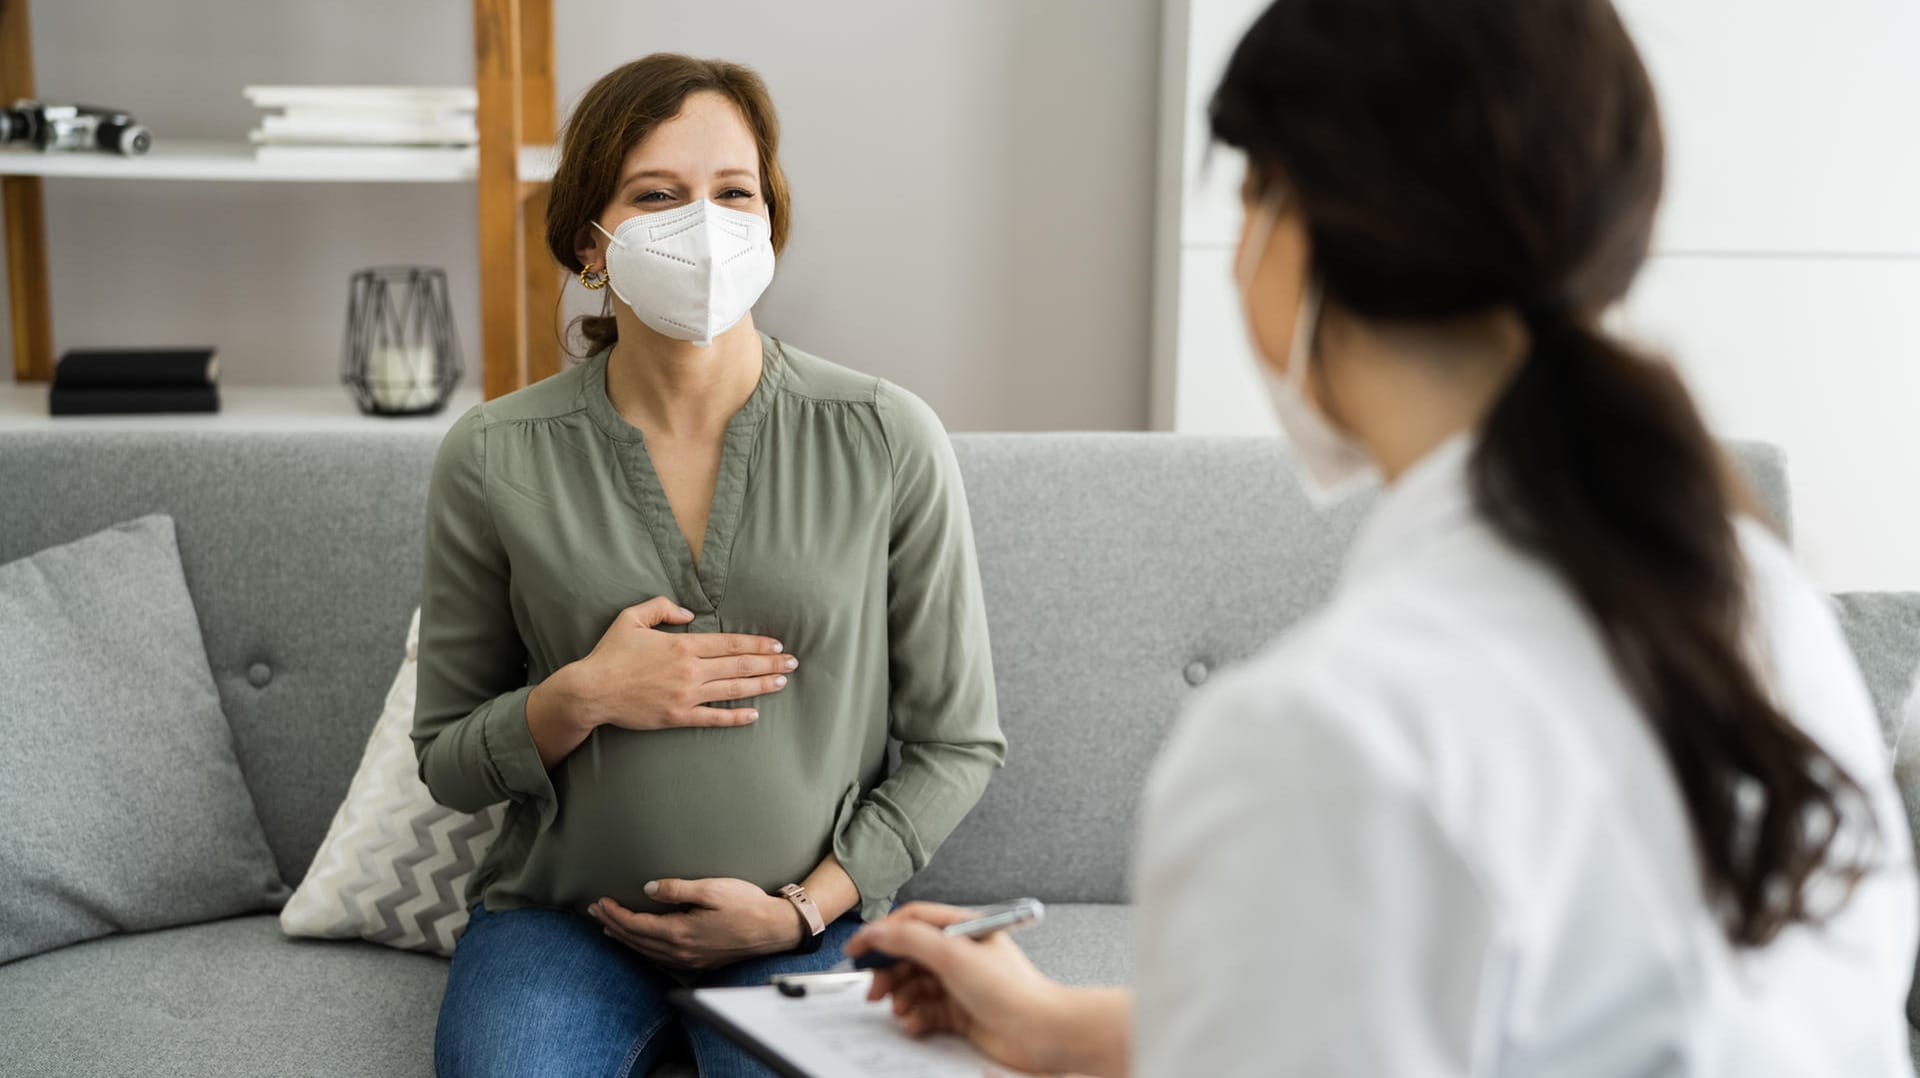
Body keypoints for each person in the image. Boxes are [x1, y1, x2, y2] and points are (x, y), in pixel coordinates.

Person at [848, 1, 1919, 1074]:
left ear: (1307, 224)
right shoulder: (1761, 603)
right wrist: (1053, 1024)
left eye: (1252, 192)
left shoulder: (1325, 733)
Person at [412, 54, 1006, 1077]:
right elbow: (447, 758)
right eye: (657, 195)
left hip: (801, 926)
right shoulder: (492, 454)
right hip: (559, 924)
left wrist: (798, 908)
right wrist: (581, 695)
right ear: (591, 243)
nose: (705, 223)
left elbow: (959, 744)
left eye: (733, 193)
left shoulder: (887, 436)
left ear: (767, 221)